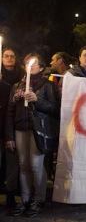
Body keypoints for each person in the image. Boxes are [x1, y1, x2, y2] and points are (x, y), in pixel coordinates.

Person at [5, 53, 59, 217]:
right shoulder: (17, 86)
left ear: (41, 67)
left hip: (39, 130)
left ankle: (38, 199)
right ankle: (25, 199)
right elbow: (9, 112)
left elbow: (54, 109)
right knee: (23, 165)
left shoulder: (48, 85)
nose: (31, 66)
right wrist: (9, 136)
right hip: (21, 128)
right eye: (28, 63)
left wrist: (37, 100)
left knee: (36, 165)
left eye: (34, 64)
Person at [0, 47, 23, 210]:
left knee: (12, 161)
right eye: (6, 56)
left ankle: (11, 193)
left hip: (11, 122)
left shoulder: (21, 76)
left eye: (12, 56)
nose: (9, 58)